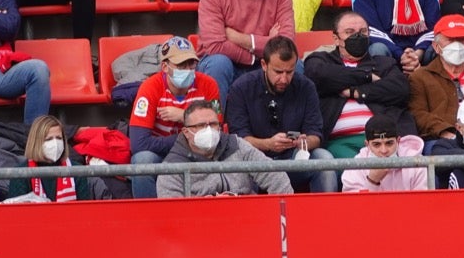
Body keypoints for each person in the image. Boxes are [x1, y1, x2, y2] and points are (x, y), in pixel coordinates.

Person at [227, 35, 337, 193]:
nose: (284, 79)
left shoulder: (306, 86)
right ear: (264, 65)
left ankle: (326, 216)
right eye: (278, 72)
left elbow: (316, 135)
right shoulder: (242, 88)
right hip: (255, 163)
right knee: (239, 171)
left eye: (290, 71)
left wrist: (303, 142)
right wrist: (268, 144)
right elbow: (237, 140)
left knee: (324, 158)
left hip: (294, 158)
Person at [305, 11, 415, 159]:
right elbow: (319, 75)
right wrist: (366, 76)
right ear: (336, 39)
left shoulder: (384, 63)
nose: (358, 37)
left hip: (386, 141)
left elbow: (400, 89)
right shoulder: (322, 61)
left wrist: (356, 92)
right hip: (340, 142)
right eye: (349, 32)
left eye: (363, 32)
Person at [197, 0, 296, 100]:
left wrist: (240, 39)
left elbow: (286, 43)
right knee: (218, 64)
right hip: (226, 61)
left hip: (266, 63)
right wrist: (265, 45)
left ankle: (289, 124)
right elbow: (215, 45)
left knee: (294, 65)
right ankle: (214, 122)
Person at [128, 36, 220, 200]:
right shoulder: (149, 88)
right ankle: (148, 218)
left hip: (201, 151)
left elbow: (216, 131)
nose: (188, 69)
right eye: (181, 65)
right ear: (165, 66)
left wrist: (184, 117)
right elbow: (139, 144)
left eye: (191, 64)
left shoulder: (209, 85)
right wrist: (185, 138)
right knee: (142, 160)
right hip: (162, 153)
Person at [157, 99, 295, 198]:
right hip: (201, 225)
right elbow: (172, 211)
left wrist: (282, 214)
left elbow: (275, 175)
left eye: (213, 124)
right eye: (201, 125)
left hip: (247, 217)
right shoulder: (172, 166)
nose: (209, 129)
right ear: (186, 132)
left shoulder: (237, 145)